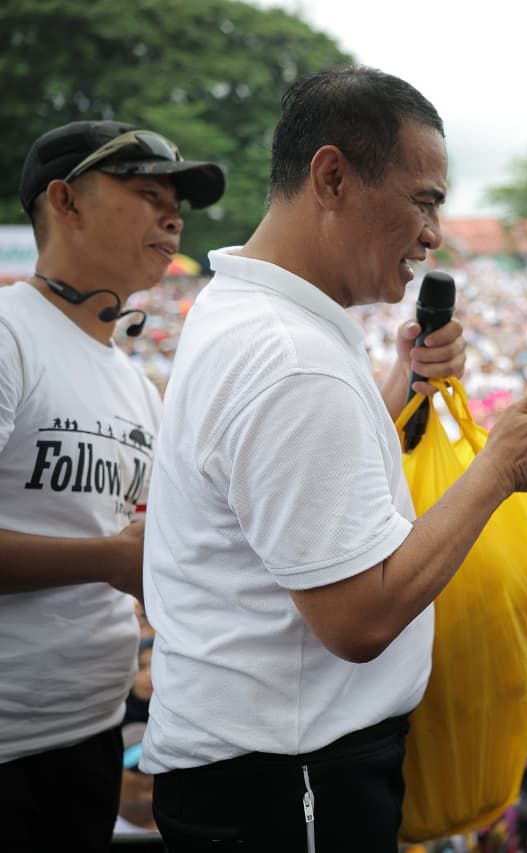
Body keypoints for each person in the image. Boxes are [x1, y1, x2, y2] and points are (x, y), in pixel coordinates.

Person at [141, 66, 527, 849]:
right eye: (425, 200)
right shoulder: (289, 356)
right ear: (332, 176)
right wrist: (499, 469)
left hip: (262, 764)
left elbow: (287, 492)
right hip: (288, 777)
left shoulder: (254, 314)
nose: (435, 234)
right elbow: (359, 616)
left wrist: (398, 382)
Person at [0, 119, 224, 852]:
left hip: (89, 732)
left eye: (177, 202)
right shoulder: (9, 335)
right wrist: (108, 558)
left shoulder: (134, 385)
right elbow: (118, 549)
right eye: (147, 193)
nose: (173, 216)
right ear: (64, 201)